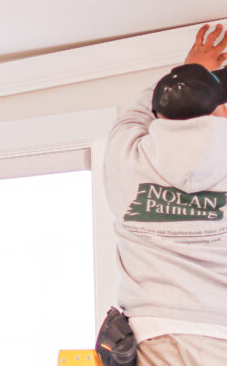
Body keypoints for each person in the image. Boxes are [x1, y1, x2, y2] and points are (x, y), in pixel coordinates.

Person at [105, 23, 227, 365]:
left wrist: (191, 71)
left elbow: (139, 111)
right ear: (221, 111)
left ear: (158, 116)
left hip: (152, 337)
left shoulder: (123, 153)